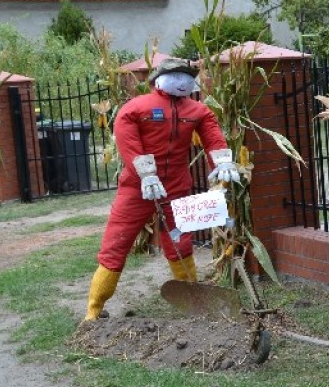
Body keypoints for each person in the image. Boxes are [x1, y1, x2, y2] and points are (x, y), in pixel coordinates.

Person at [83, 58, 240, 321]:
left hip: (177, 187)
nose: (182, 81)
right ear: (158, 79)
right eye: (175, 75)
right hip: (136, 190)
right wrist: (145, 173)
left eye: (187, 76)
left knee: (180, 240)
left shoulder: (198, 111)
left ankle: (194, 302)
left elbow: (212, 135)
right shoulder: (137, 108)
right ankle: (94, 309)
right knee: (117, 242)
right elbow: (126, 137)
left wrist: (222, 161)